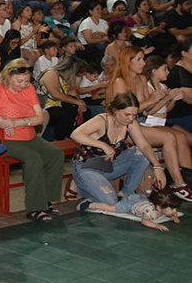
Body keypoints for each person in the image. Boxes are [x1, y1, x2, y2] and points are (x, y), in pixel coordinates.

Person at [0, 59, 64, 222]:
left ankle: (45, 200)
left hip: (26, 134)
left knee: (55, 154)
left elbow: (39, 118)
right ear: (9, 76)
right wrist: (0, 119)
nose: (24, 85)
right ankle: (35, 208)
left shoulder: (29, 89)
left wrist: (18, 122)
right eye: (20, 81)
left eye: (27, 81)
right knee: (33, 158)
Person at [108, 46, 192, 196]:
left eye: (143, 59)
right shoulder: (120, 82)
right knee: (169, 137)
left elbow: (147, 109)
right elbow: (127, 109)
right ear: (129, 62)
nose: (143, 63)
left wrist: (164, 98)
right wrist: (153, 99)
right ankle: (178, 183)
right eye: (139, 60)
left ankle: (187, 180)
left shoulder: (140, 79)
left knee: (180, 137)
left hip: (142, 120)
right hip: (125, 125)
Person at [71, 92, 168, 207]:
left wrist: (157, 166)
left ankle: (127, 193)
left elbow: (144, 145)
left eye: (134, 115)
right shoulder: (102, 120)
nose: (131, 118)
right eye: (127, 114)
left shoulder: (131, 124)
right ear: (115, 110)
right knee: (110, 201)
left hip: (108, 166)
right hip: (87, 167)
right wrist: (102, 145)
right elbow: (75, 134)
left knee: (142, 153)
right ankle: (81, 188)